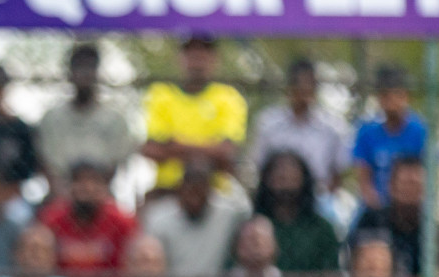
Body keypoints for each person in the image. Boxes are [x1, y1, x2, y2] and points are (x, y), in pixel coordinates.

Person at [140, 35, 247, 194]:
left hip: (215, 193)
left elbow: (228, 152)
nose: (197, 60)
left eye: (203, 53)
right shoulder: (160, 94)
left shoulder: (229, 97)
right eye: (191, 53)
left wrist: (174, 145)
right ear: (179, 58)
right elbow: (151, 150)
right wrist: (211, 148)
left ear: (215, 59)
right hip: (168, 191)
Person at [139, 161, 247, 277]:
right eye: (190, 188)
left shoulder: (228, 213)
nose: (195, 196)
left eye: (201, 188)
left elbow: (248, 209)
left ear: (210, 190)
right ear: (180, 189)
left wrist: (229, 172)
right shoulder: (159, 217)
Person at [249, 59, 352, 199]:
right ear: (289, 88)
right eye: (300, 86)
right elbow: (259, 167)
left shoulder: (333, 127)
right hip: (276, 197)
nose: (305, 92)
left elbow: (338, 173)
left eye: (310, 86)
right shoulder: (268, 123)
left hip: (318, 199)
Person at [37, 44, 137, 187]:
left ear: (98, 74)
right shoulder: (52, 118)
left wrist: (93, 190)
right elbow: (47, 165)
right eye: (79, 68)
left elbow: (115, 165)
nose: (84, 74)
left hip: (101, 195)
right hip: (61, 195)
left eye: (90, 68)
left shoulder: (114, 119)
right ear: (69, 74)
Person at [36, 160, 139, 277]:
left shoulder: (122, 222)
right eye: (80, 181)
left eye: (95, 181)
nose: (87, 187)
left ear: (105, 188)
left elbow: (130, 267)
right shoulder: (51, 219)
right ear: (69, 187)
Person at [351, 156, 439, 277]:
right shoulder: (371, 221)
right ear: (391, 186)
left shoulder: (436, 233)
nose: (410, 190)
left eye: (415, 184)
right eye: (405, 183)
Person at [253, 150, 342, 277]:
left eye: (292, 178)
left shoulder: (322, 229)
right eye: (280, 178)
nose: (286, 184)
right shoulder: (252, 228)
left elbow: (331, 274)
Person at [352, 64, 426, 210]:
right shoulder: (367, 131)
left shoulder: (421, 131)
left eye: (397, 94)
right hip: (376, 207)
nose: (392, 101)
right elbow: (363, 178)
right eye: (386, 95)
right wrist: (377, 207)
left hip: (411, 207)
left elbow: (428, 177)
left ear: (406, 96)